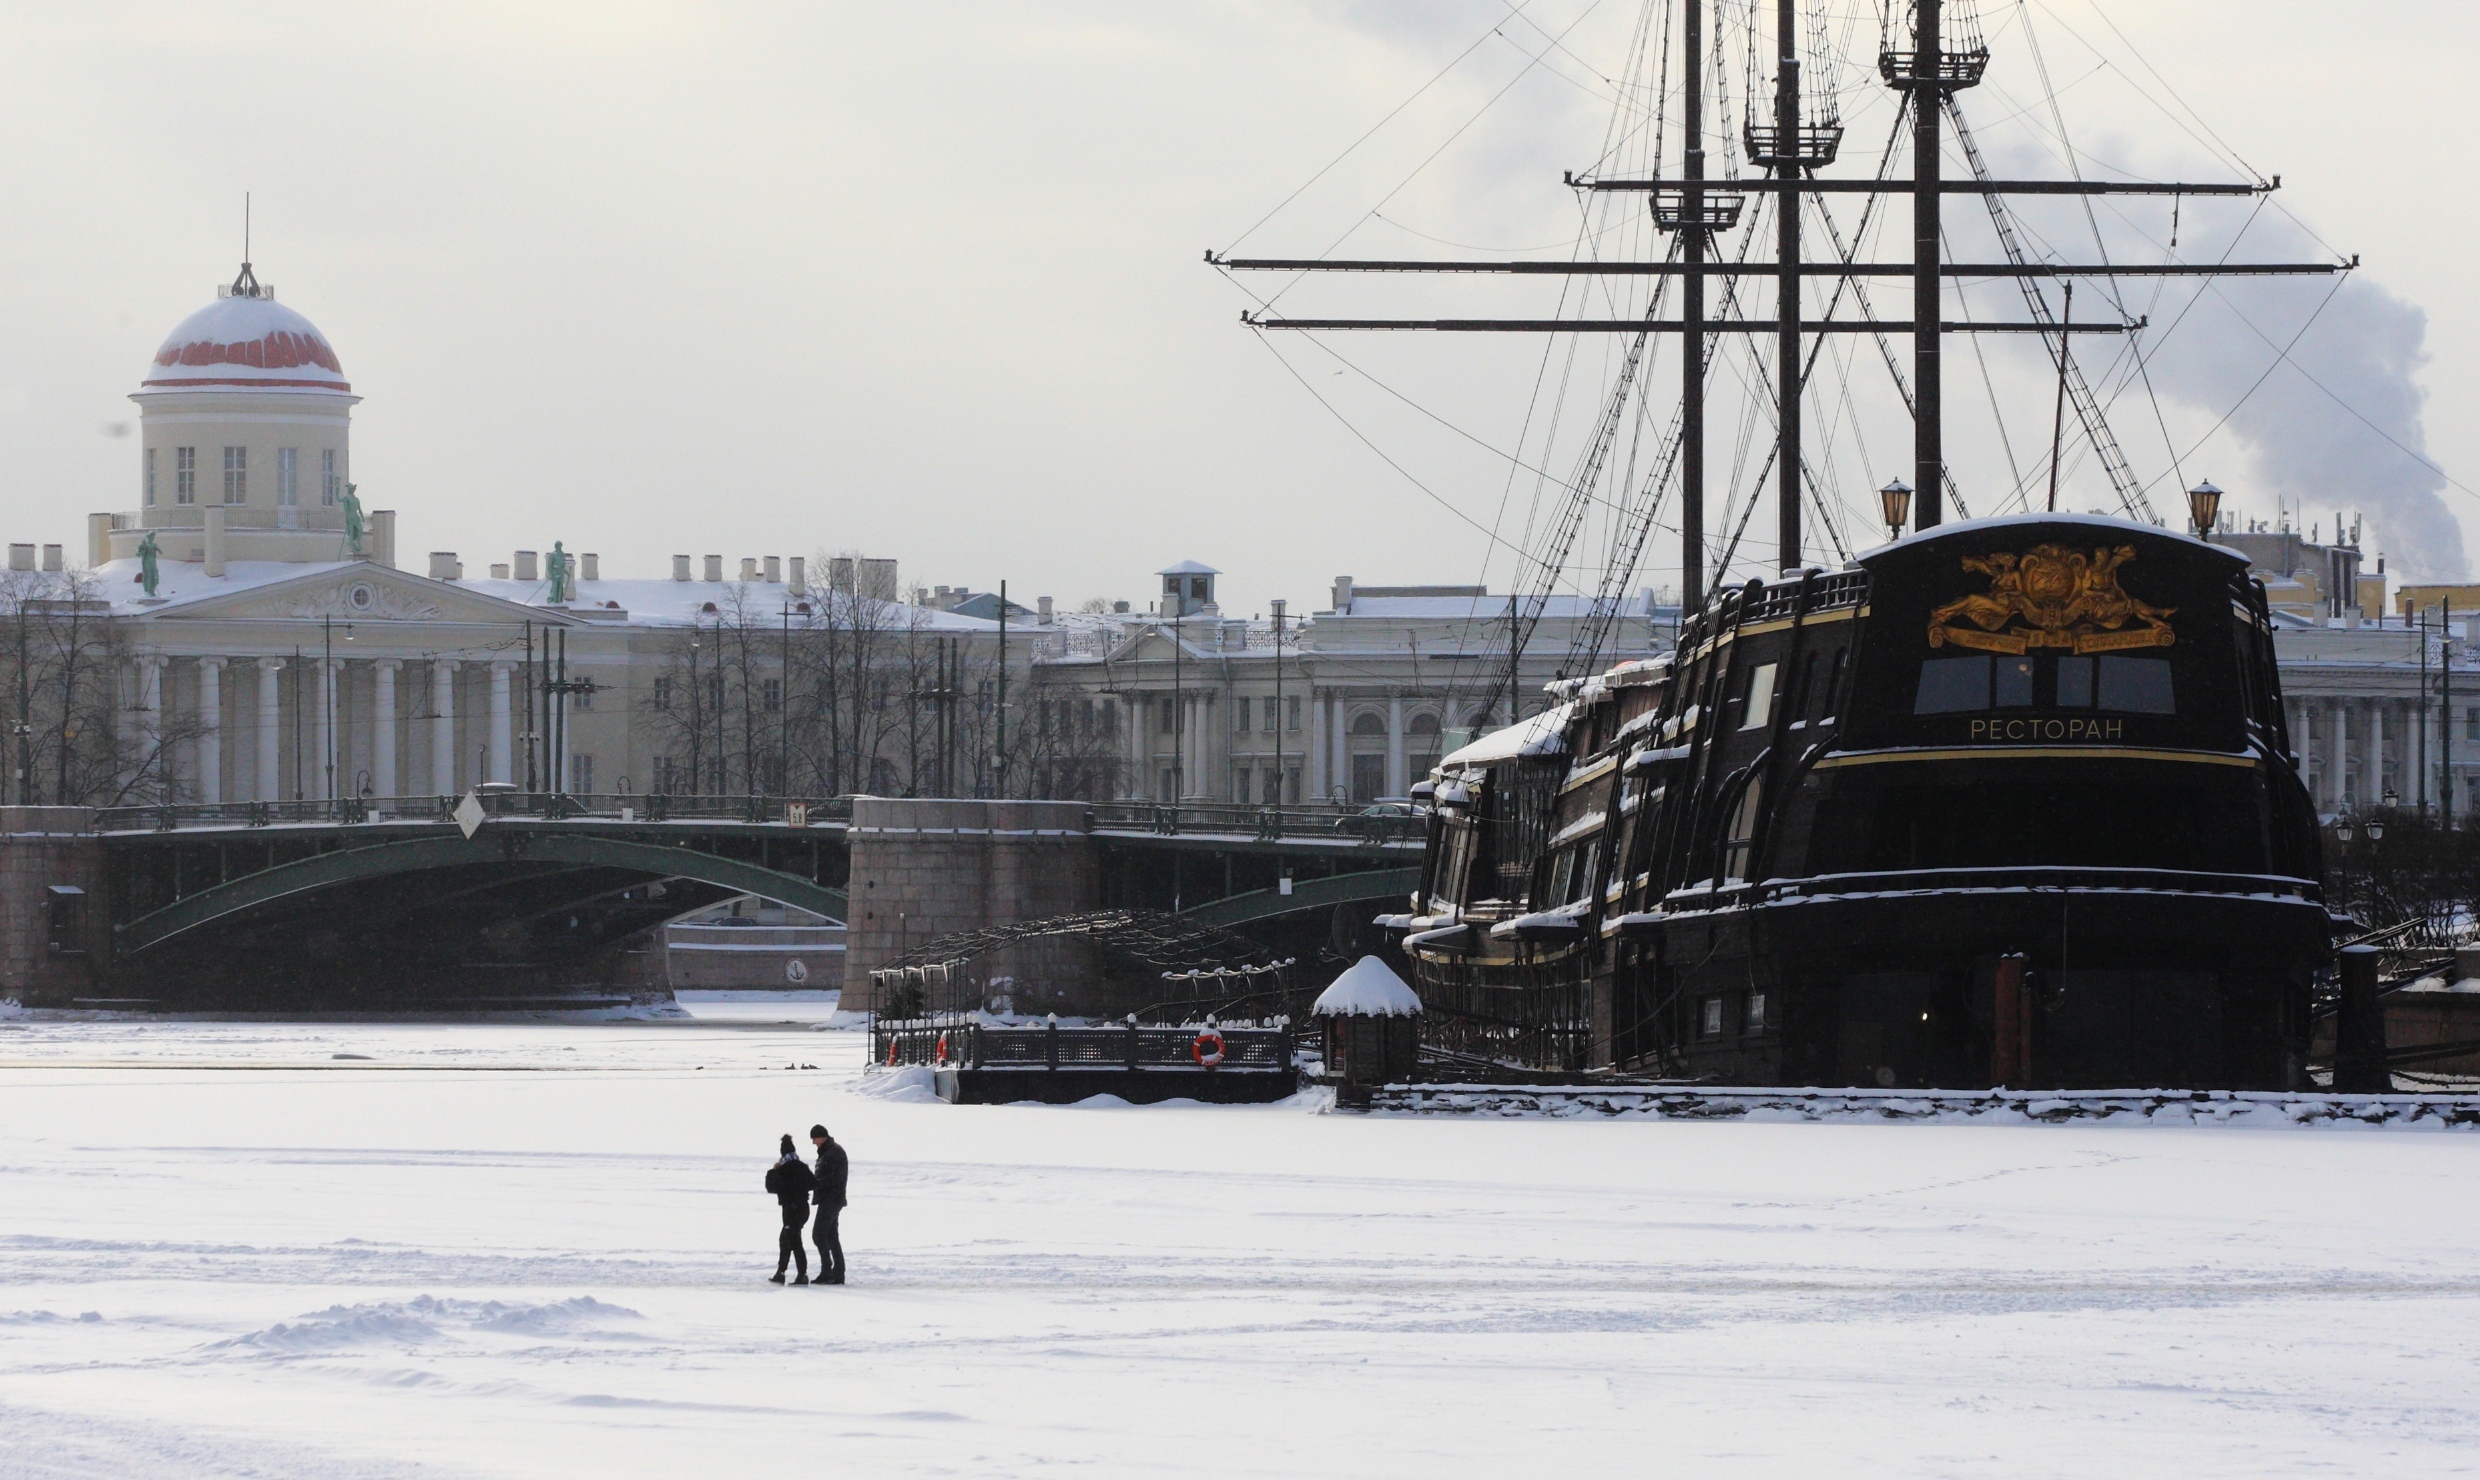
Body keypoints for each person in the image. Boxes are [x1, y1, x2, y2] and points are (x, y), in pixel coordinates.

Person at [764, 1133, 813, 1285]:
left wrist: (774, 1170)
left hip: (791, 1210)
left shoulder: (783, 1169)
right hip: (802, 1209)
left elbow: (771, 1187)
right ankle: (783, 1273)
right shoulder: (802, 1166)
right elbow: (813, 1183)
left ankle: (798, 1274)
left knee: (791, 1240)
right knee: (789, 1238)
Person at [809, 1123, 849, 1285]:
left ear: (822, 1137)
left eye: (814, 1139)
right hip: (829, 1199)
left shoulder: (834, 1152)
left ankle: (828, 1271)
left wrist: (815, 1183)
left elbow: (835, 1178)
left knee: (818, 1234)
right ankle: (837, 1273)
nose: (813, 1142)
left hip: (831, 1200)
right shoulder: (828, 1152)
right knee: (831, 1236)